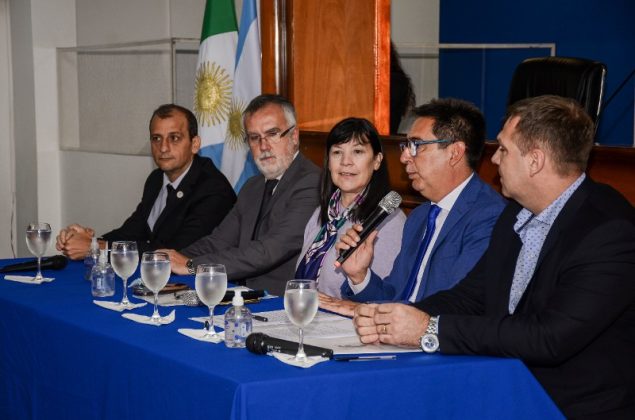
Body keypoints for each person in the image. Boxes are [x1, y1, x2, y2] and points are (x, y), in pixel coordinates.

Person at [353, 95, 635, 419]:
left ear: (535, 161)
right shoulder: (516, 214)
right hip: (507, 389)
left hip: (571, 407)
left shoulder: (608, 231)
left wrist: (430, 330)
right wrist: (394, 317)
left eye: (503, 149)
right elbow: (471, 296)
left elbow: (549, 337)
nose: (495, 160)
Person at [321, 98, 505, 316]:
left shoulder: (489, 217)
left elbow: (458, 308)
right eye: (406, 146)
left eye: (416, 146)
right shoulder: (420, 216)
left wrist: (371, 312)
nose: (404, 157)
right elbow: (394, 296)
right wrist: (359, 276)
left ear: (454, 153)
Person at [163, 94, 321, 296]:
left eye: (272, 134)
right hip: (239, 295)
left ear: (294, 136)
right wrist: (169, 260)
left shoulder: (313, 183)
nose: (264, 146)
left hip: (283, 302)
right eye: (254, 138)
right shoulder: (253, 186)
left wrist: (192, 266)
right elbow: (218, 241)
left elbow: (269, 250)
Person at [56, 104, 236, 258]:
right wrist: (89, 240)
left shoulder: (213, 189)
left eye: (174, 138)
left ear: (194, 144)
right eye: (156, 138)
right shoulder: (157, 179)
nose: (163, 148)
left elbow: (176, 252)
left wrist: (96, 248)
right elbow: (131, 232)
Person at [295, 117, 406, 299]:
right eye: (337, 152)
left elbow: (386, 300)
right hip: (307, 311)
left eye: (357, 151)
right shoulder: (322, 213)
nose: (346, 161)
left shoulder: (389, 221)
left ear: (377, 160)